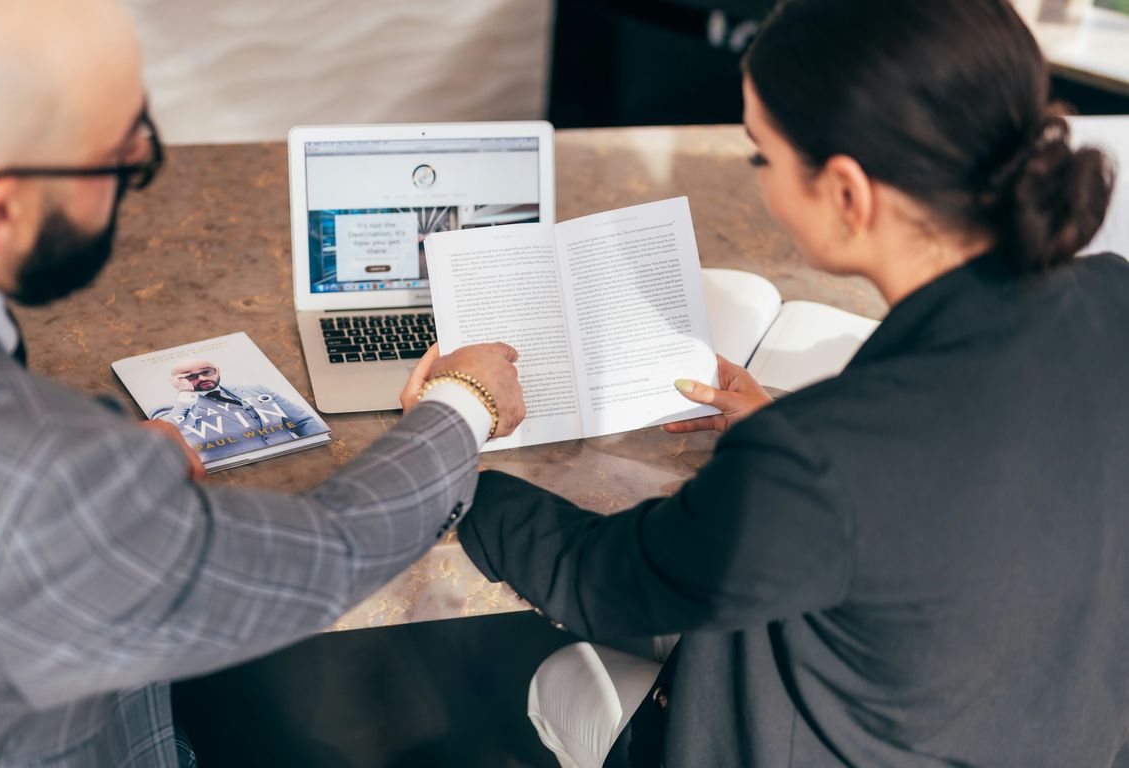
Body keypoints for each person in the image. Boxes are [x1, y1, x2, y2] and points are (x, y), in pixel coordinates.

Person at [0, 0, 524, 765]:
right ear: (1, 211)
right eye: (124, 160)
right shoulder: (49, 483)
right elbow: (328, 552)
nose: (133, 179)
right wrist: (464, 402)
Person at [456, 1, 1128, 766]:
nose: (762, 185)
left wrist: (451, 453)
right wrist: (797, 441)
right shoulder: (1115, 296)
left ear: (846, 192)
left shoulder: (817, 461)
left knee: (561, 684)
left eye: (762, 158)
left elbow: (596, 578)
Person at [150, 359, 320, 463]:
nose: (202, 378)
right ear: (176, 381)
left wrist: (318, 451)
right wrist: (185, 395)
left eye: (206, 372)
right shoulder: (168, 410)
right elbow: (168, 436)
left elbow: (304, 422)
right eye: (190, 376)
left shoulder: (257, 389)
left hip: (299, 458)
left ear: (217, 371)